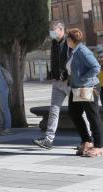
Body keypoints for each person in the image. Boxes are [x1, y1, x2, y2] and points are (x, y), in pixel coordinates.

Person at [65, 28, 103, 157]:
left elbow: (96, 67)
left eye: (67, 39)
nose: (66, 41)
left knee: (92, 116)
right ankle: (86, 141)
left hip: (88, 87)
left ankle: (98, 146)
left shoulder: (82, 51)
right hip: (77, 88)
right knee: (74, 113)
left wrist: (82, 78)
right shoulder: (74, 51)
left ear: (70, 40)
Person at [34, 21, 70, 149]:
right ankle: (48, 139)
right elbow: (55, 59)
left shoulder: (70, 41)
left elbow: (71, 60)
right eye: (50, 31)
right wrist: (52, 72)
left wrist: (66, 73)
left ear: (61, 29)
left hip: (69, 81)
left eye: (53, 31)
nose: (51, 34)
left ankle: (89, 138)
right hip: (57, 81)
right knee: (54, 110)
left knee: (80, 111)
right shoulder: (54, 42)